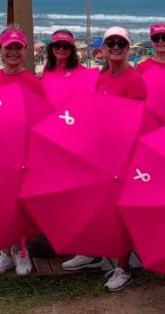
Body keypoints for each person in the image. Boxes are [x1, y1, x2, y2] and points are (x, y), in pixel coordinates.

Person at [62, 26, 147, 292]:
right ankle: (92, 252)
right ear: (104, 47)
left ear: (128, 47)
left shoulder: (134, 80)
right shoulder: (102, 77)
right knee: (96, 205)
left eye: (121, 43)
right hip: (102, 151)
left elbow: (133, 122)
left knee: (122, 211)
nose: (115, 47)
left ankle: (123, 267)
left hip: (124, 154)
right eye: (111, 42)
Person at [0, 25, 43, 276]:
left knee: (19, 205)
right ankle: (5, 254)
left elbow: (40, 120)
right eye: (9, 48)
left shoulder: (32, 82)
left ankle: (21, 252)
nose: (13, 52)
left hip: (22, 153)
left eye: (18, 47)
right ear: (1, 49)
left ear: (26, 50)